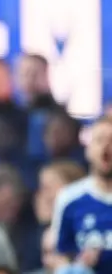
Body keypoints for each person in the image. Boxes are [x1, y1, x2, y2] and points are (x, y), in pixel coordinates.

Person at [52, 116, 112, 274]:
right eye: (99, 140)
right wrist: (77, 263)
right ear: (88, 149)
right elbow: (59, 254)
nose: (106, 148)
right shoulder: (69, 198)